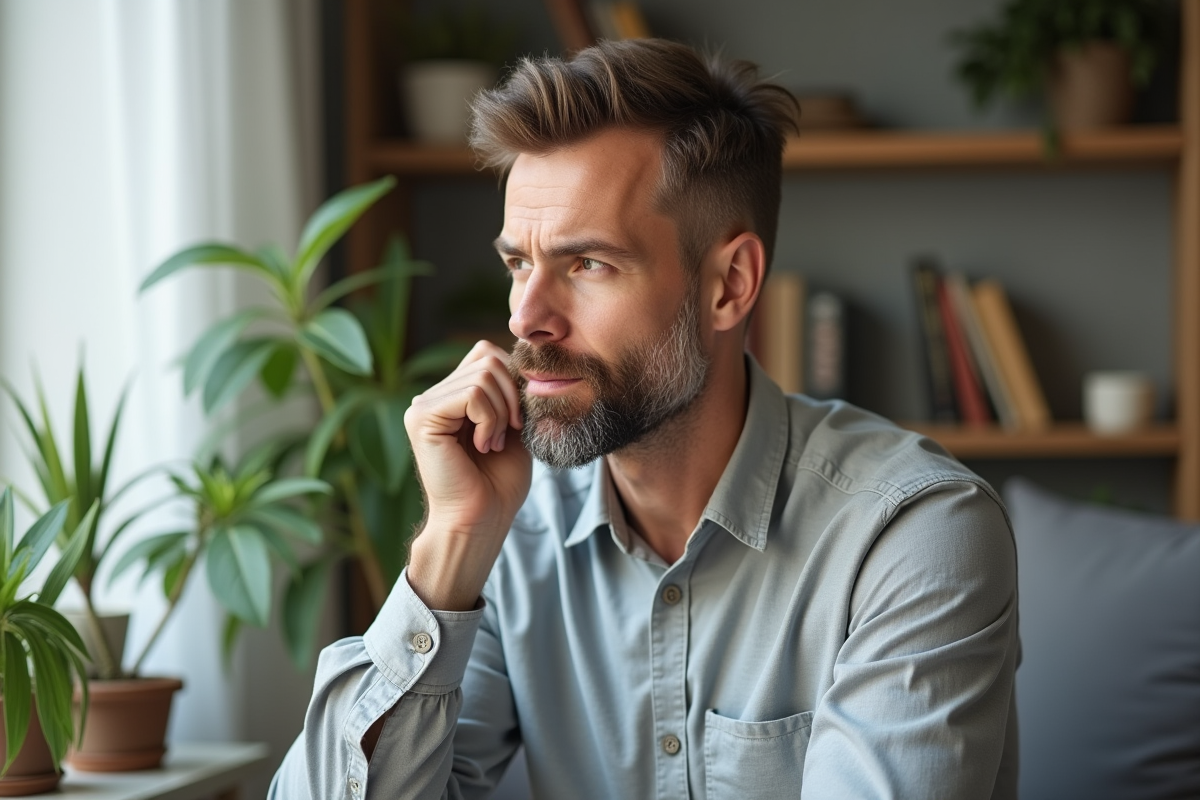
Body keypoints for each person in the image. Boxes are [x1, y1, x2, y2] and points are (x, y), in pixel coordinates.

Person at [270, 38, 1018, 799]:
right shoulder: (510, 532)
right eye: (518, 264)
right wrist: (450, 549)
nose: (525, 318)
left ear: (729, 285)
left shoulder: (911, 533)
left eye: (588, 264)